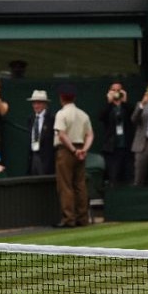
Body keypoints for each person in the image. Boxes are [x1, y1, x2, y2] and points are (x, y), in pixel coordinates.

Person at [53, 84, 93, 228]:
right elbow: (90, 135)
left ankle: (69, 219)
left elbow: (62, 135)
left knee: (65, 185)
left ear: (61, 98)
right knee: (80, 185)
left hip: (66, 151)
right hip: (80, 150)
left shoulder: (61, 114)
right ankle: (82, 218)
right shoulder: (83, 114)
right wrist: (84, 150)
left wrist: (73, 150)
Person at [99, 81, 134, 186]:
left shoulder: (126, 107)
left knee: (129, 177)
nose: (116, 93)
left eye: (118, 90)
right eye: (113, 90)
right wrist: (109, 102)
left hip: (126, 146)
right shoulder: (108, 107)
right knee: (113, 177)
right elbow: (101, 117)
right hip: (112, 148)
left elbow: (133, 116)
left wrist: (125, 101)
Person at [27, 89, 55, 176]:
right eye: (34, 103)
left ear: (45, 104)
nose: (36, 105)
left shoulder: (51, 119)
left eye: (39, 103)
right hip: (33, 156)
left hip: (46, 158)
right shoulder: (31, 118)